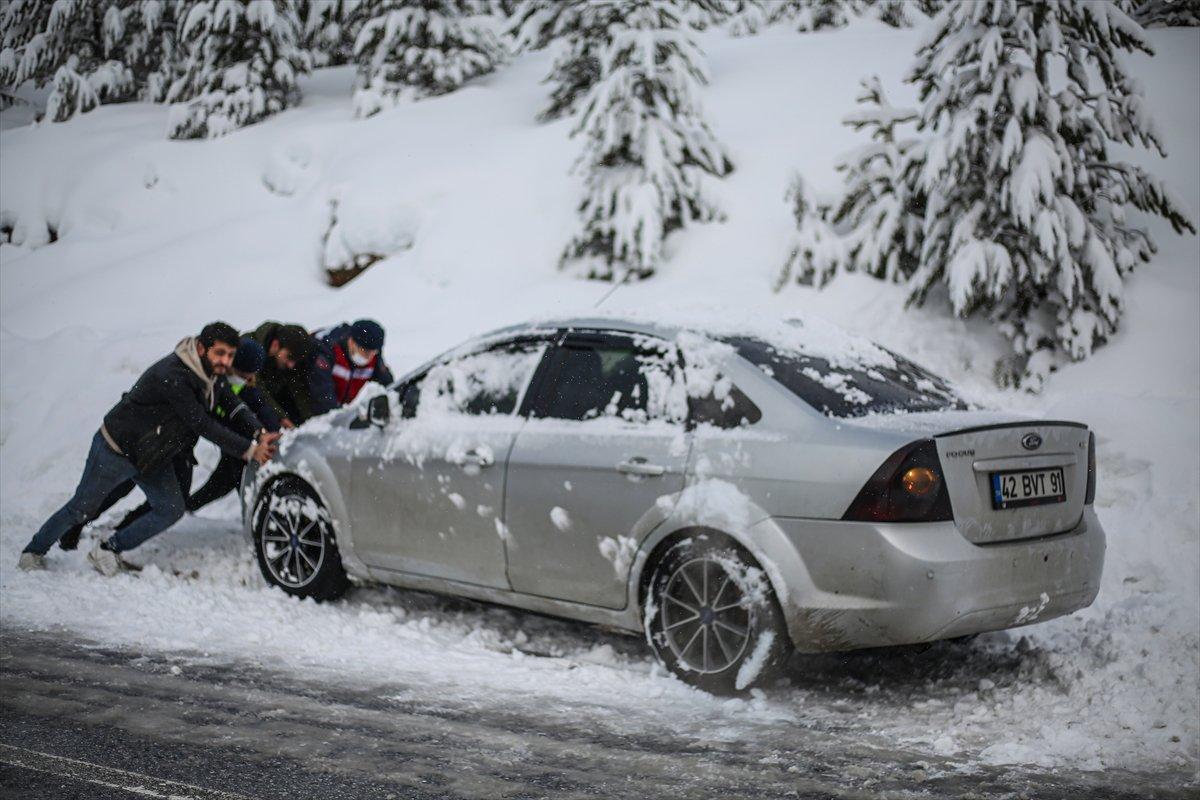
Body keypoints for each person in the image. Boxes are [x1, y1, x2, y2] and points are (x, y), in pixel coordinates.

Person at [17, 323, 280, 575]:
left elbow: (233, 404)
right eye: (220, 353)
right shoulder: (175, 375)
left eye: (230, 355)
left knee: (171, 509)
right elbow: (201, 423)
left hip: (154, 455)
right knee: (81, 508)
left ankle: (108, 550)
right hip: (116, 450)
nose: (225, 361)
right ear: (202, 348)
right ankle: (34, 551)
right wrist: (249, 450)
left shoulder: (212, 375)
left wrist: (259, 432)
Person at [310, 319, 394, 408]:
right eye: (365, 351)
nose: (369, 357)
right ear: (351, 342)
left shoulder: (373, 354)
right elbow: (322, 394)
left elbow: (387, 383)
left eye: (373, 352)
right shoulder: (326, 351)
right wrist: (337, 412)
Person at [249, 321, 314, 430]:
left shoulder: (285, 355)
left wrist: (311, 422)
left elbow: (298, 390)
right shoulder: (248, 351)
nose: (291, 365)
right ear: (275, 345)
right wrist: (281, 418)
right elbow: (257, 390)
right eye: (289, 357)